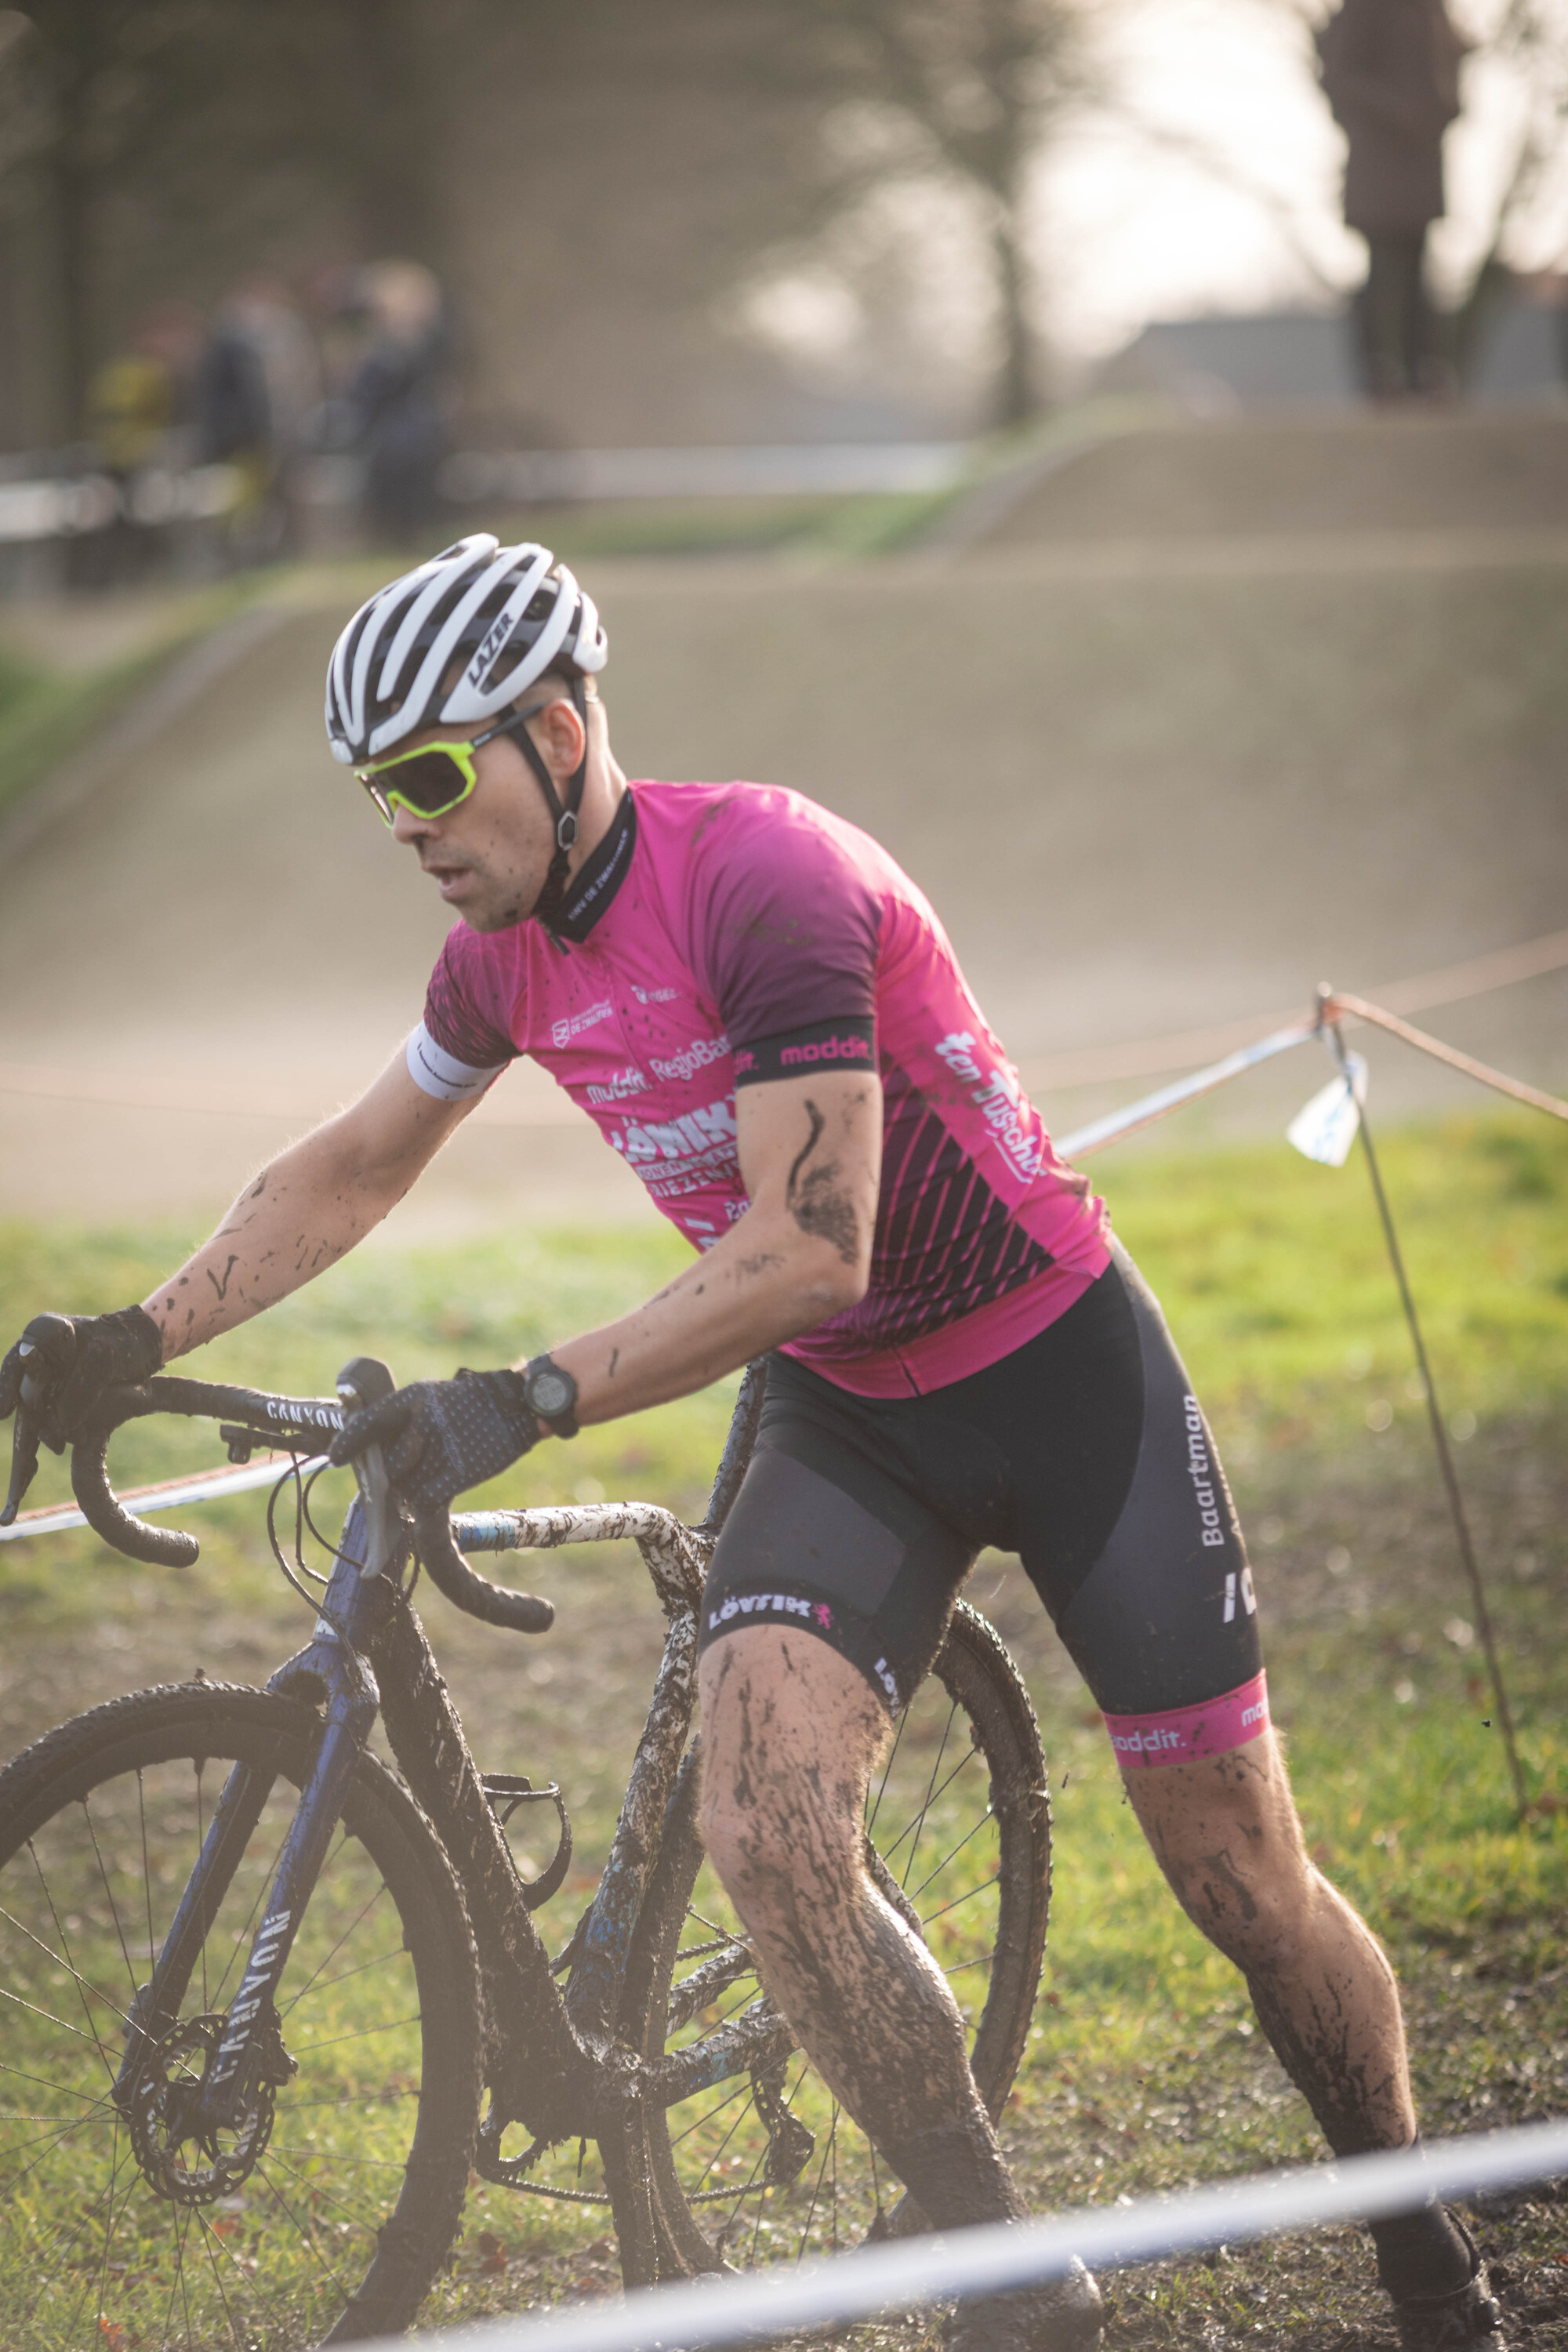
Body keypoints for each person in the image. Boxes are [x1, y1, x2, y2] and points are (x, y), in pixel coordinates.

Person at [0, 537, 1506, 2352]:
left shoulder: (766, 881)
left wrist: (527, 1391)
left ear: (555, 733)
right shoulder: (499, 962)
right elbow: (353, 1162)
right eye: (369, 791)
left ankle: (1427, 2257)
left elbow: (811, 1244)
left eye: (421, 775)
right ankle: (1006, 2276)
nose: (399, 823)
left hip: (1051, 1371)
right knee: (763, 1826)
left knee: (1233, 1876)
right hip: (849, 1408)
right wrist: (131, 1335)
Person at [1317, 0, 1468, 400]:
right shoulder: (1367, 8)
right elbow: (1339, 76)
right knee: (1384, 272)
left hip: (1420, 166)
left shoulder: (1431, 9)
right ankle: (1382, 372)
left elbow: (1446, 78)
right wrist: (1401, 113)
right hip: (1381, 169)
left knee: (1418, 273)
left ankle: (1425, 371)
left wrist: (1446, 102)